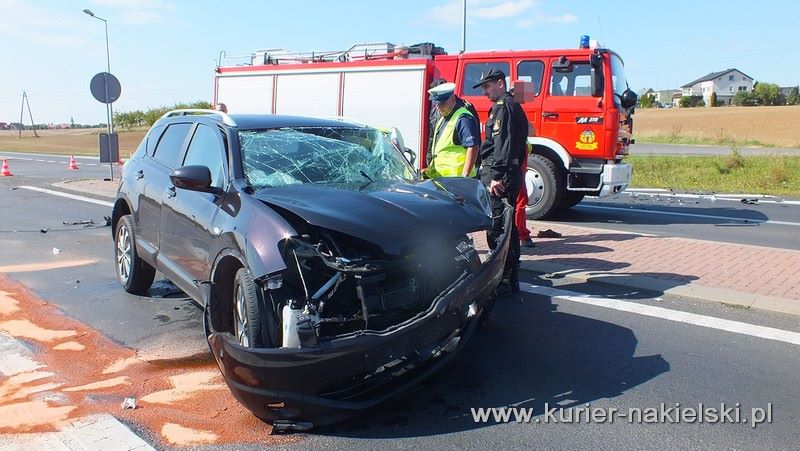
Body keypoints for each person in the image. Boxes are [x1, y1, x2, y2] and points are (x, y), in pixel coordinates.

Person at [473, 68, 530, 294]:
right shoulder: (507, 106)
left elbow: (503, 145)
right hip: (504, 174)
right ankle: (509, 275)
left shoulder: (503, 107)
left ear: (500, 83)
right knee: (507, 228)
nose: (485, 92)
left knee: (498, 228)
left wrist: (495, 176)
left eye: (487, 86)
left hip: (501, 177)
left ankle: (504, 278)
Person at [424, 82, 481, 178]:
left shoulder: (463, 118)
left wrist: (465, 175)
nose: (438, 108)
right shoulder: (443, 117)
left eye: (442, 104)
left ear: (452, 98)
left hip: (458, 181)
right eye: (437, 104)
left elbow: (473, 147)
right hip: (444, 179)